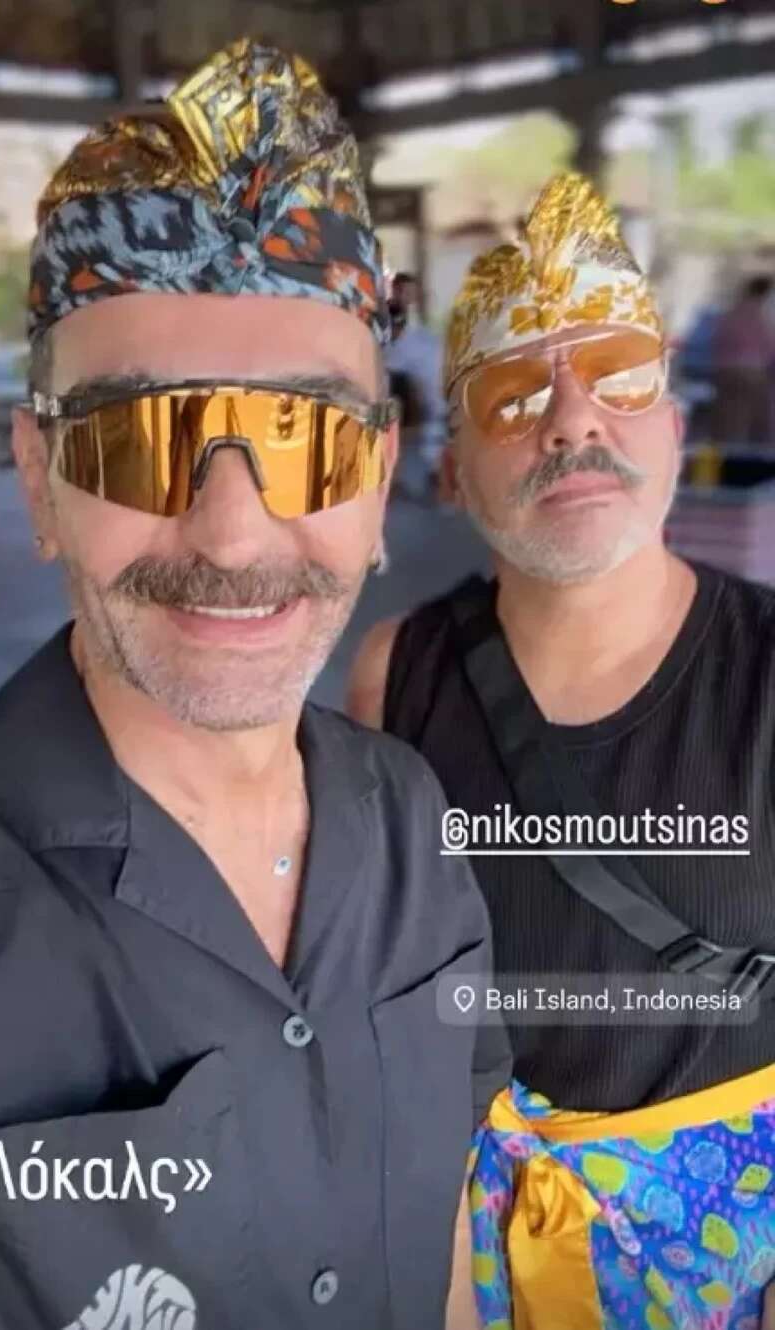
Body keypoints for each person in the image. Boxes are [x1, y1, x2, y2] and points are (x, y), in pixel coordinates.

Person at [0, 40, 509, 1330]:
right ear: (40, 481)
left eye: (307, 435)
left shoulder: (412, 817)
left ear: (378, 479)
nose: (230, 536)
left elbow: (446, 1223)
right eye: (138, 437)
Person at [349, 173, 775, 1328]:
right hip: (466, 1258)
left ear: (673, 424)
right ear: (450, 467)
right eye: (511, 395)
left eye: (619, 375)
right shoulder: (394, 673)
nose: (572, 419)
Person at [385, 271, 448, 502]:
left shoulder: (425, 330)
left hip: (423, 370)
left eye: (411, 292)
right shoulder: (389, 314)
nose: (408, 296)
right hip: (395, 366)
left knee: (437, 402)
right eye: (403, 291)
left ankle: (436, 468)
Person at [712, 275, 775, 445]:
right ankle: (741, 449)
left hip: (725, 369)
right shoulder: (762, 314)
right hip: (752, 370)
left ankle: (726, 447)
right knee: (750, 414)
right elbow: (769, 344)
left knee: (727, 413)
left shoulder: (731, 312)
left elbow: (719, 339)